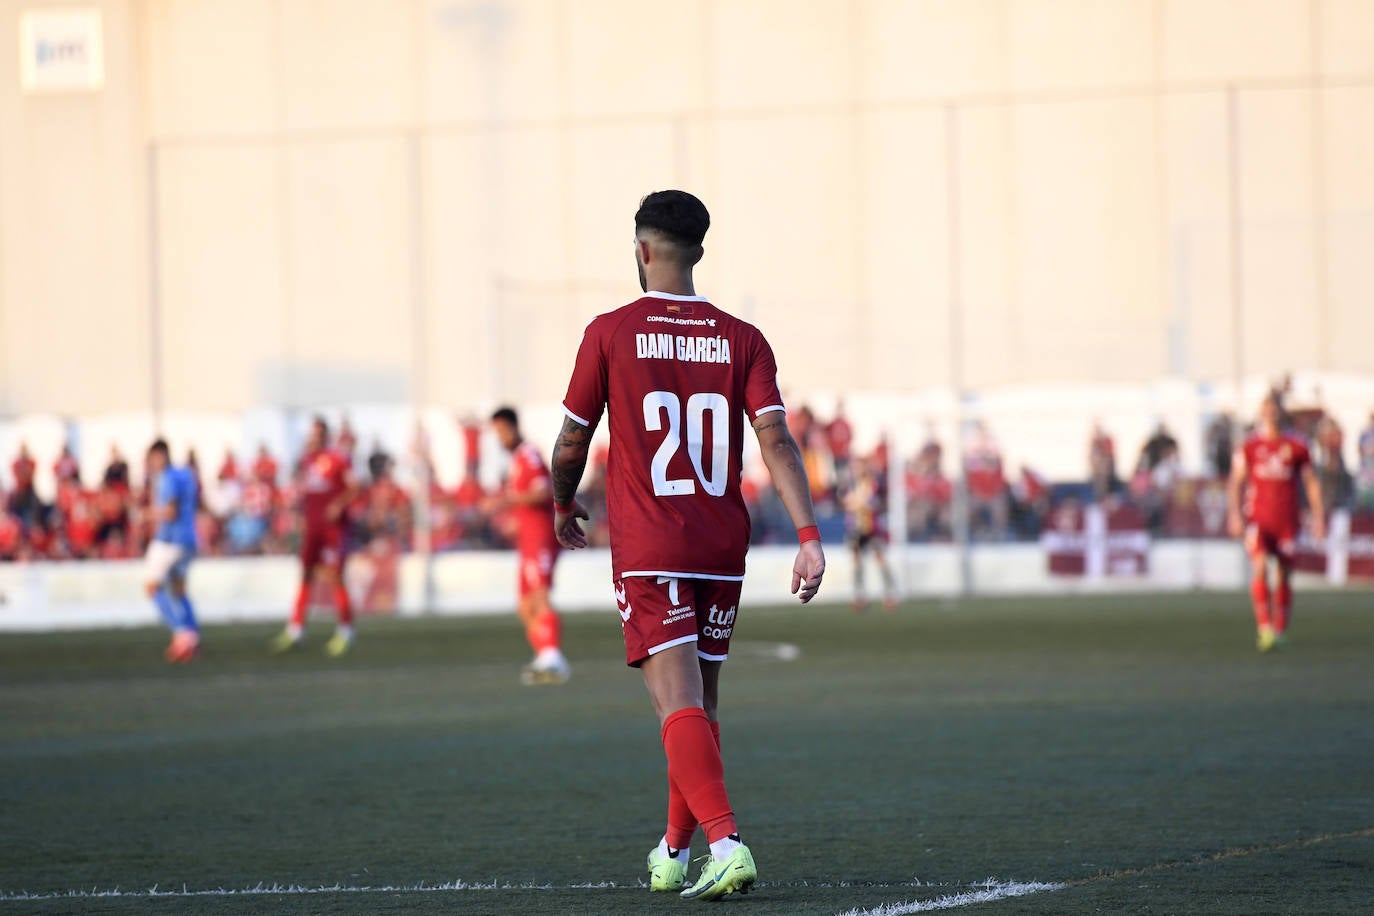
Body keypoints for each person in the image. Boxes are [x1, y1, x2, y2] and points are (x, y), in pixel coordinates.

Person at [551, 190, 825, 901]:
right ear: (697, 252)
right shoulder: (743, 338)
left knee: (674, 703)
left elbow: (572, 440)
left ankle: (727, 842)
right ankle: (675, 849)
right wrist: (807, 536)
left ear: (643, 251)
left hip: (651, 545)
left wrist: (561, 502)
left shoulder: (610, 331)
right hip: (719, 544)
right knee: (698, 704)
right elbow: (776, 440)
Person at [1226, 394, 1326, 652]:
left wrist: (1318, 517)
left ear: (1282, 412)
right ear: (1261, 413)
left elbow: (1311, 482)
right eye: (1266, 409)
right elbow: (1236, 482)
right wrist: (1235, 514)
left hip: (1287, 520)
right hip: (1258, 518)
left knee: (1284, 573)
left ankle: (1280, 628)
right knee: (1259, 566)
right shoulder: (1249, 446)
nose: (1271, 413)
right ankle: (1264, 629)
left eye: (1275, 409)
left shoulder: (1297, 445)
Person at [488, 406, 570, 684]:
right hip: (527, 537)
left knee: (539, 596)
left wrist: (508, 501)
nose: (499, 437)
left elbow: (542, 491)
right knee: (525, 605)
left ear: (512, 427)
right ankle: (545, 656)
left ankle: (553, 659)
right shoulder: (516, 460)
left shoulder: (529, 454)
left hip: (540, 536)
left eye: (500, 430)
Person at [270, 417, 361, 657]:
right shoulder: (307, 461)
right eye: (312, 434)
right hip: (312, 529)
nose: (314, 438)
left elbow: (355, 487)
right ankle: (296, 628)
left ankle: (346, 631)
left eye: (318, 434)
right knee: (305, 575)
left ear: (325, 436)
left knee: (335, 577)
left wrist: (339, 504)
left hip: (333, 529)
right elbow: (305, 492)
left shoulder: (338, 460)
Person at [142, 439, 201, 663]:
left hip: (169, 540)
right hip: (189, 539)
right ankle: (193, 636)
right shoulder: (185, 473)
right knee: (178, 589)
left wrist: (145, 514)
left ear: (160, 455)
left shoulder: (167, 477)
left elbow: (171, 511)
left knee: (151, 586)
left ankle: (182, 634)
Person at [843, 457, 896, 611]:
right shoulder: (852, 485)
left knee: (880, 560)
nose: (855, 470)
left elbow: (872, 504)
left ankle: (890, 594)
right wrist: (859, 503)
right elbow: (849, 504)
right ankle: (859, 597)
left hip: (872, 528)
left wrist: (858, 503)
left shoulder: (872, 484)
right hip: (856, 528)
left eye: (858, 467)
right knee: (857, 562)